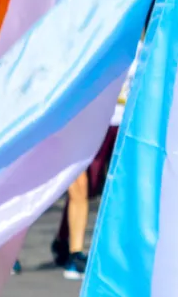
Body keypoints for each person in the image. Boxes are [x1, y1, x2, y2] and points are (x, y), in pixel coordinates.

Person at [50, 55, 134, 279]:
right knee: (29, 194)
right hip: (62, 125)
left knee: (83, 189)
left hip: (99, 124)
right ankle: (5, 253)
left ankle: (74, 253)